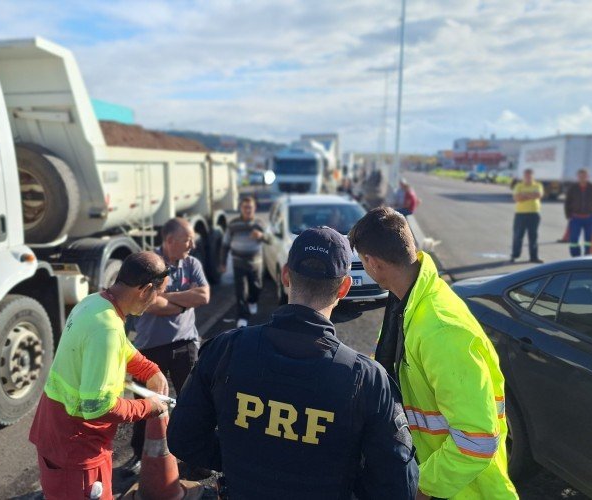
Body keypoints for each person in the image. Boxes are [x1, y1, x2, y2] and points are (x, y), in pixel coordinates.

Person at [168, 227, 419, 499]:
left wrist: (239, 457)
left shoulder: (224, 350)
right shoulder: (368, 380)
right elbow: (399, 486)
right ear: (345, 287)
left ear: (285, 275)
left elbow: (183, 439)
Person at [348, 207, 518, 500]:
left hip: (463, 492)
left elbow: (477, 442)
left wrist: (419, 487)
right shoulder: (409, 305)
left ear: (372, 264)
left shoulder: (441, 330)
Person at [28, 252, 171, 500]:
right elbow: (97, 406)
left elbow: (121, 347)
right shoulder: (106, 328)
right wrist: (148, 407)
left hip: (57, 432)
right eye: (158, 293)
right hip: (77, 447)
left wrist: (149, 369)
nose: (155, 300)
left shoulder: (95, 303)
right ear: (146, 289)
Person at [125, 217, 210, 473]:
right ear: (170, 240)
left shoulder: (191, 263)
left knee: (191, 401)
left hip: (186, 343)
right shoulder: (151, 265)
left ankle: (191, 453)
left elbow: (204, 296)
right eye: (187, 240)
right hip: (150, 348)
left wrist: (167, 298)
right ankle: (140, 455)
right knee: (145, 404)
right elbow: (151, 304)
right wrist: (184, 301)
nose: (192, 245)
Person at [219, 196, 271, 328]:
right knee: (240, 291)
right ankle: (242, 316)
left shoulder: (259, 224)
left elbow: (270, 240)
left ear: (255, 208)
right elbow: (225, 245)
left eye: (250, 207)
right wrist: (223, 263)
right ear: (241, 208)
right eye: (245, 207)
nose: (248, 210)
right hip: (238, 262)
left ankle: (253, 301)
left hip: (256, 263)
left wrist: (261, 236)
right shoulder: (233, 225)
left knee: (256, 287)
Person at [564, 168, 592, 257]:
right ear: (578, 177)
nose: (582, 178)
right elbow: (567, 202)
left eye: (584, 176)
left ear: (587, 177)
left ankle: (588, 256)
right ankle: (576, 257)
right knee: (573, 240)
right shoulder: (572, 187)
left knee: (589, 240)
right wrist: (568, 215)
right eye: (580, 176)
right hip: (575, 218)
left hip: (590, 218)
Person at [511, 168, 544, 263]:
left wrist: (524, 195)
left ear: (532, 176)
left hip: (534, 214)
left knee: (533, 236)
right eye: (526, 176)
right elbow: (517, 198)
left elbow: (538, 195)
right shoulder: (518, 185)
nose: (528, 178)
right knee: (518, 235)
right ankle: (515, 255)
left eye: (529, 176)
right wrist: (531, 195)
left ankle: (534, 257)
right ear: (523, 176)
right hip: (520, 214)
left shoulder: (538, 185)